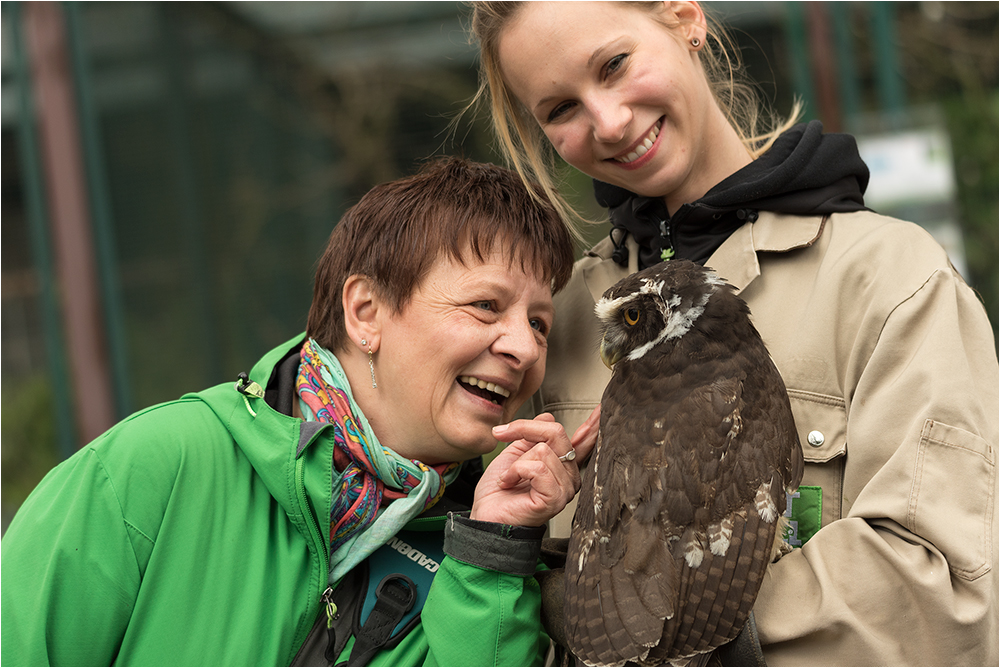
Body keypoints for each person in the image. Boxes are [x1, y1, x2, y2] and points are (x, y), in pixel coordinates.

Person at [468, 1, 999, 665]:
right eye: (560, 110)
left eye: (614, 65)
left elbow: (943, 591)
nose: (607, 121)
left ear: (686, 19)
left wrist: (674, 642)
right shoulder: (560, 320)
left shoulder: (887, 280)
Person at [1, 157, 600, 666]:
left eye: (539, 323)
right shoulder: (155, 465)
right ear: (366, 312)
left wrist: (492, 551)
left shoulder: (481, 556)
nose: (523, 347)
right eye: (486, 305)